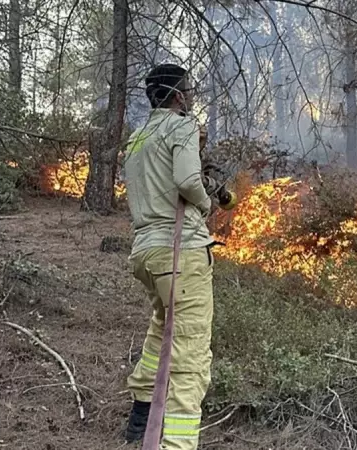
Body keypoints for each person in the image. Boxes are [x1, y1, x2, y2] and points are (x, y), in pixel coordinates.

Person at [122, 63, 215, 450]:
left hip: (147, 253)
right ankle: (177, 444)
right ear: (178, 96)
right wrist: (208, 205)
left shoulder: (138, 136)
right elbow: (188, 182)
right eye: (188, 91)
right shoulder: (181, 126)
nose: (190, 97)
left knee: (161, 330)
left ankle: (139, 419)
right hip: (181, 254)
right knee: (190, 355)